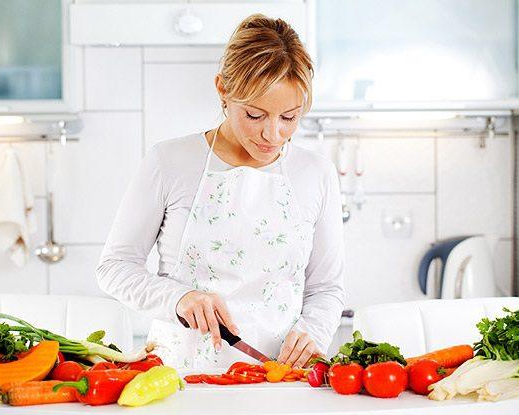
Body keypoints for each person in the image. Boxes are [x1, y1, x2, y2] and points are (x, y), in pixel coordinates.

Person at [97, 14, 345, 370]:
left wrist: (315, 332)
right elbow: (114, 267)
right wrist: (179, 298)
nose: (272, 135)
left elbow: (327, 288)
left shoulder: (315, 173)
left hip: (280, 379)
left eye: (289, 118)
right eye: (255, 115)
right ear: (223, 90)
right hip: (180, 379)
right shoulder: (170, 161)